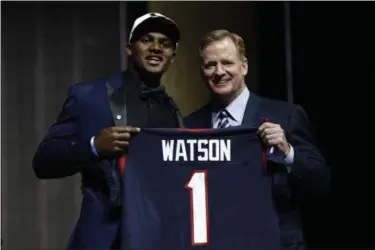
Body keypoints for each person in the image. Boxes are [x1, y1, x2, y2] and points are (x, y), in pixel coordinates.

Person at [32, 12, 184, 249]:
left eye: (165, 44)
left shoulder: (174, 113)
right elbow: (43, 161)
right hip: (105, 239)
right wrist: (94, 146)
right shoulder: (89, 96)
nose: (156, 48)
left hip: (157, 238)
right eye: (146, 40)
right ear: (129, 48)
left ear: (173, 56)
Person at [184, 29, 330, 250]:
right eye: (210, 65)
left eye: (227, 63)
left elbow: (321, 183)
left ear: (244, 66)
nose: (219, 72)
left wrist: (288, 152)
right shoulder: (189, 126)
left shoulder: (286, 115)